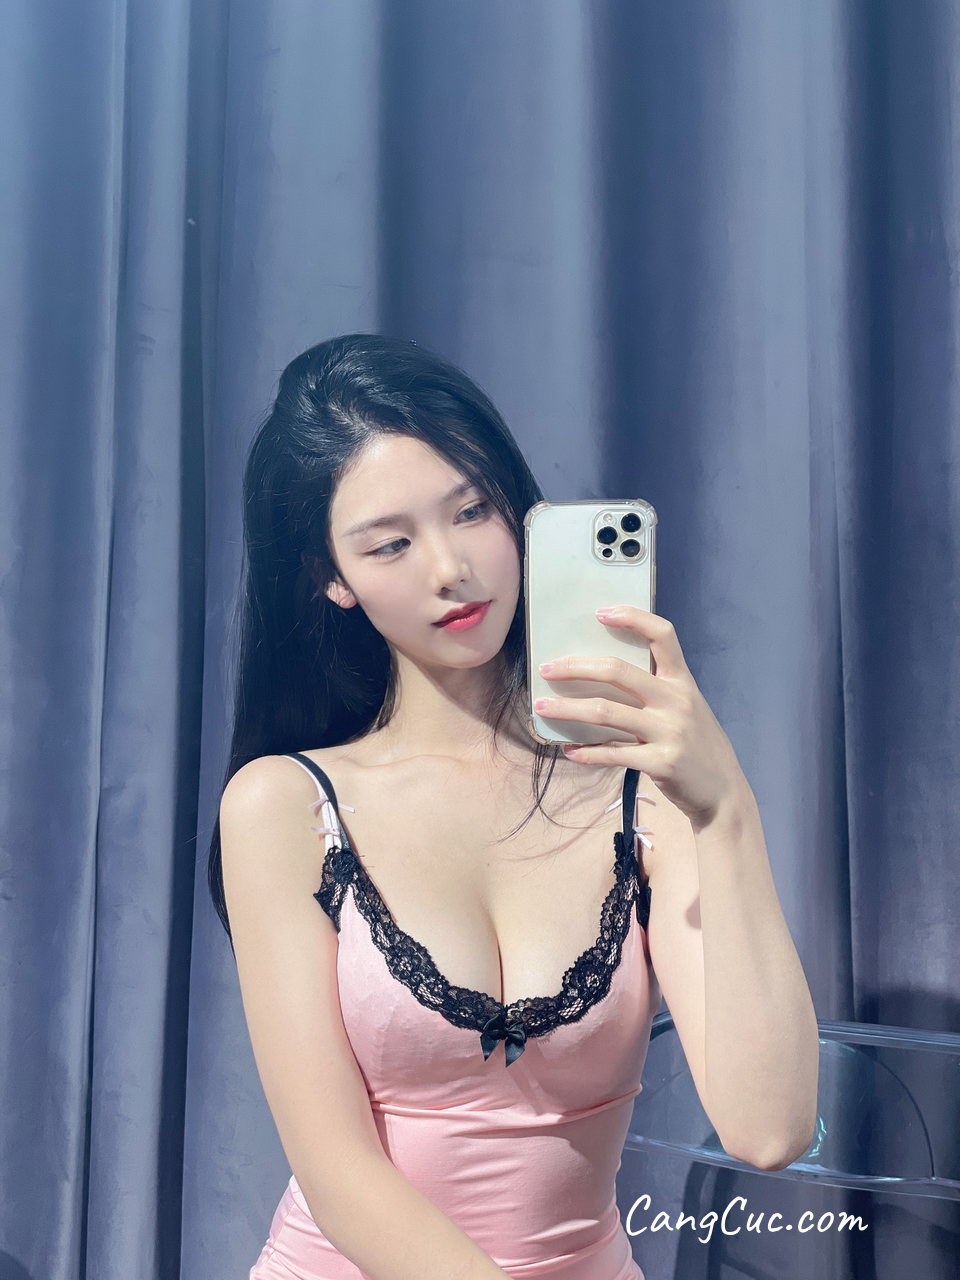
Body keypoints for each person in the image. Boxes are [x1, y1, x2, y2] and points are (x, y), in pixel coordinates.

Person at [211, 333, 819, 1280]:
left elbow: (769, 1127)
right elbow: (337, 1174)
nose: (450, 568)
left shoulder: (643, 794)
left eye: (473, 510)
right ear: (331, 576)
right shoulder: (284, 806)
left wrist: (725, 808)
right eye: (391, 544)